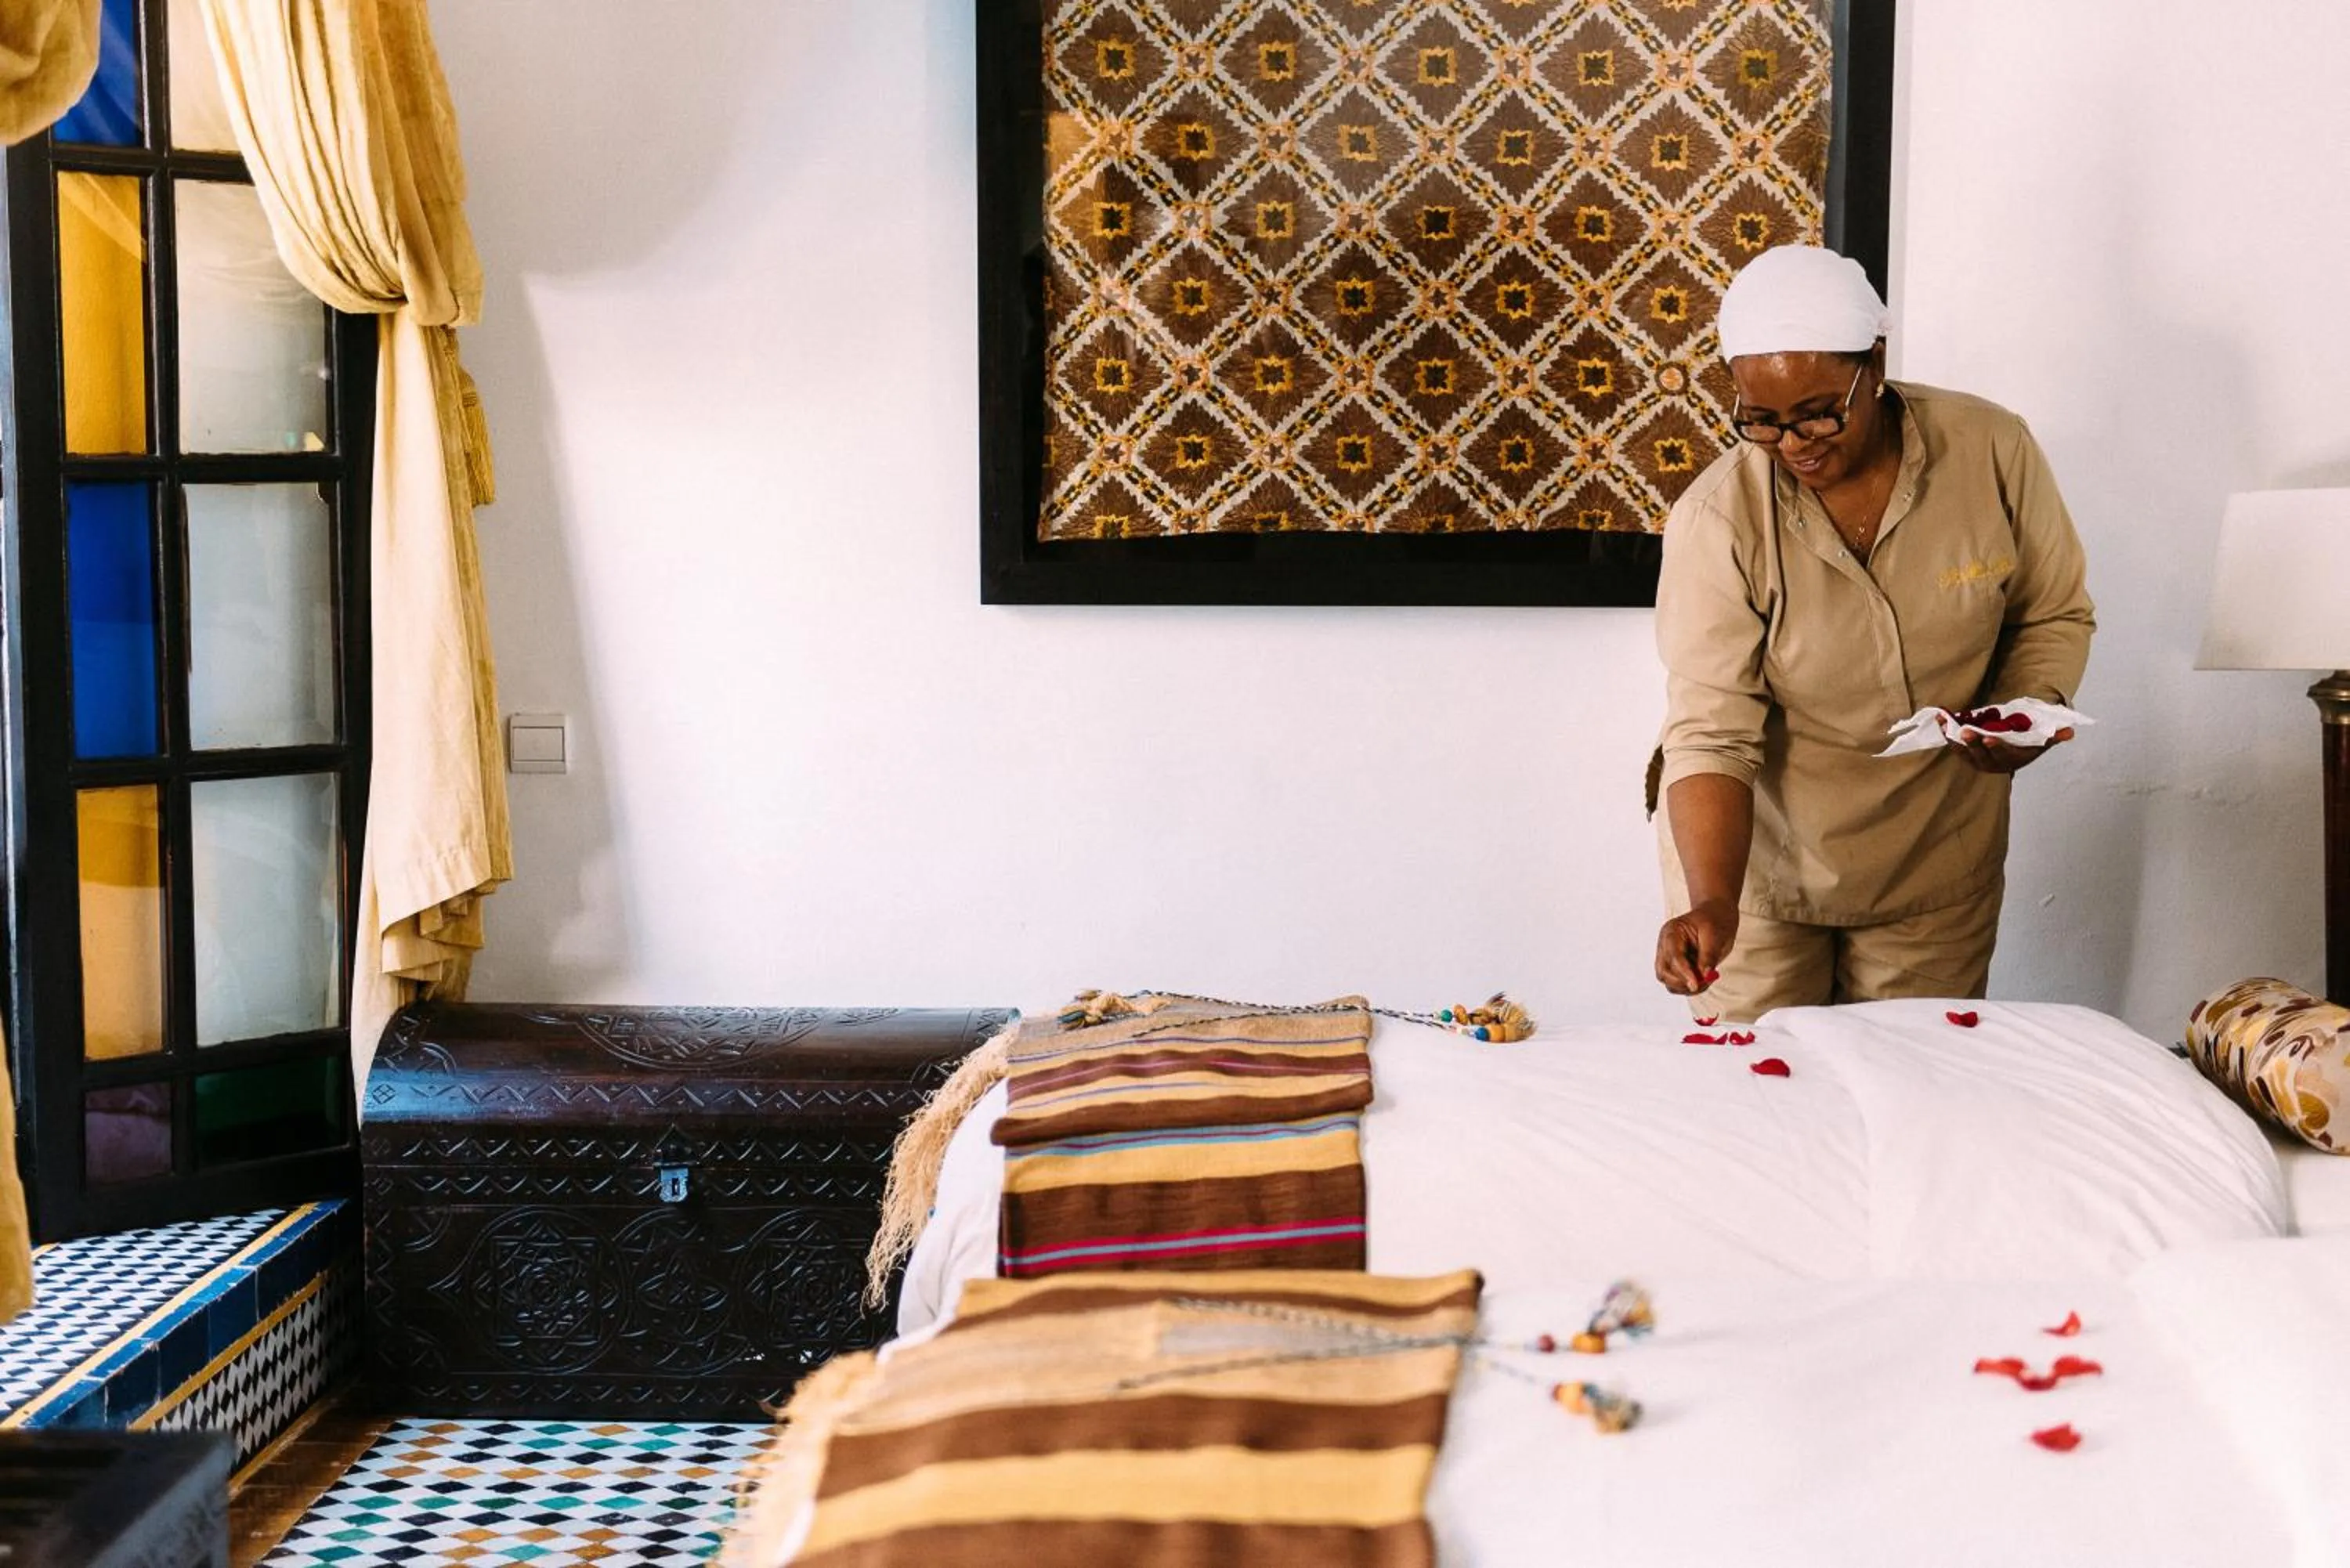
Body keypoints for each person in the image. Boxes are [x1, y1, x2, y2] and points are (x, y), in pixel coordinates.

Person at [1649, 245, 2095, 1021]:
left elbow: (2049, 611)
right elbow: (1712, 734)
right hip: (1761, 875)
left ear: (1876, 365)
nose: (1795, 444)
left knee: (1918, 1096)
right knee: (1767, 1112)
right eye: (1762, 421)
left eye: (1820, 410)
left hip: (1935, 864)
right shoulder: (1718, 520)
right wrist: (1712, 901)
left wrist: (2027, 709)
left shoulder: (1993, 450)